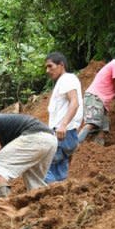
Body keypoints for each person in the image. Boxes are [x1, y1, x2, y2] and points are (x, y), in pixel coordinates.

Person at [78, 51, 115, 145]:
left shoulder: (111, 66)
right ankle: (75, 144)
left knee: (103, 129)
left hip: (100, 101)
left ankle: (97, 151)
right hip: (95, 97)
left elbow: (109, 88)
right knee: (92, 123)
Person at [44, 52, 83, 183]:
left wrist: (63, 125)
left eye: (50, 66)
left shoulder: (67, 79)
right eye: (46, 67)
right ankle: (60, 199)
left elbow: (74, 102)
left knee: (42, 167)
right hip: (66, 134)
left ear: (61, 65)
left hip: (61, 134)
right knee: (59, 172)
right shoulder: (64, 81)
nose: (48, 70)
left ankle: (50, 198)